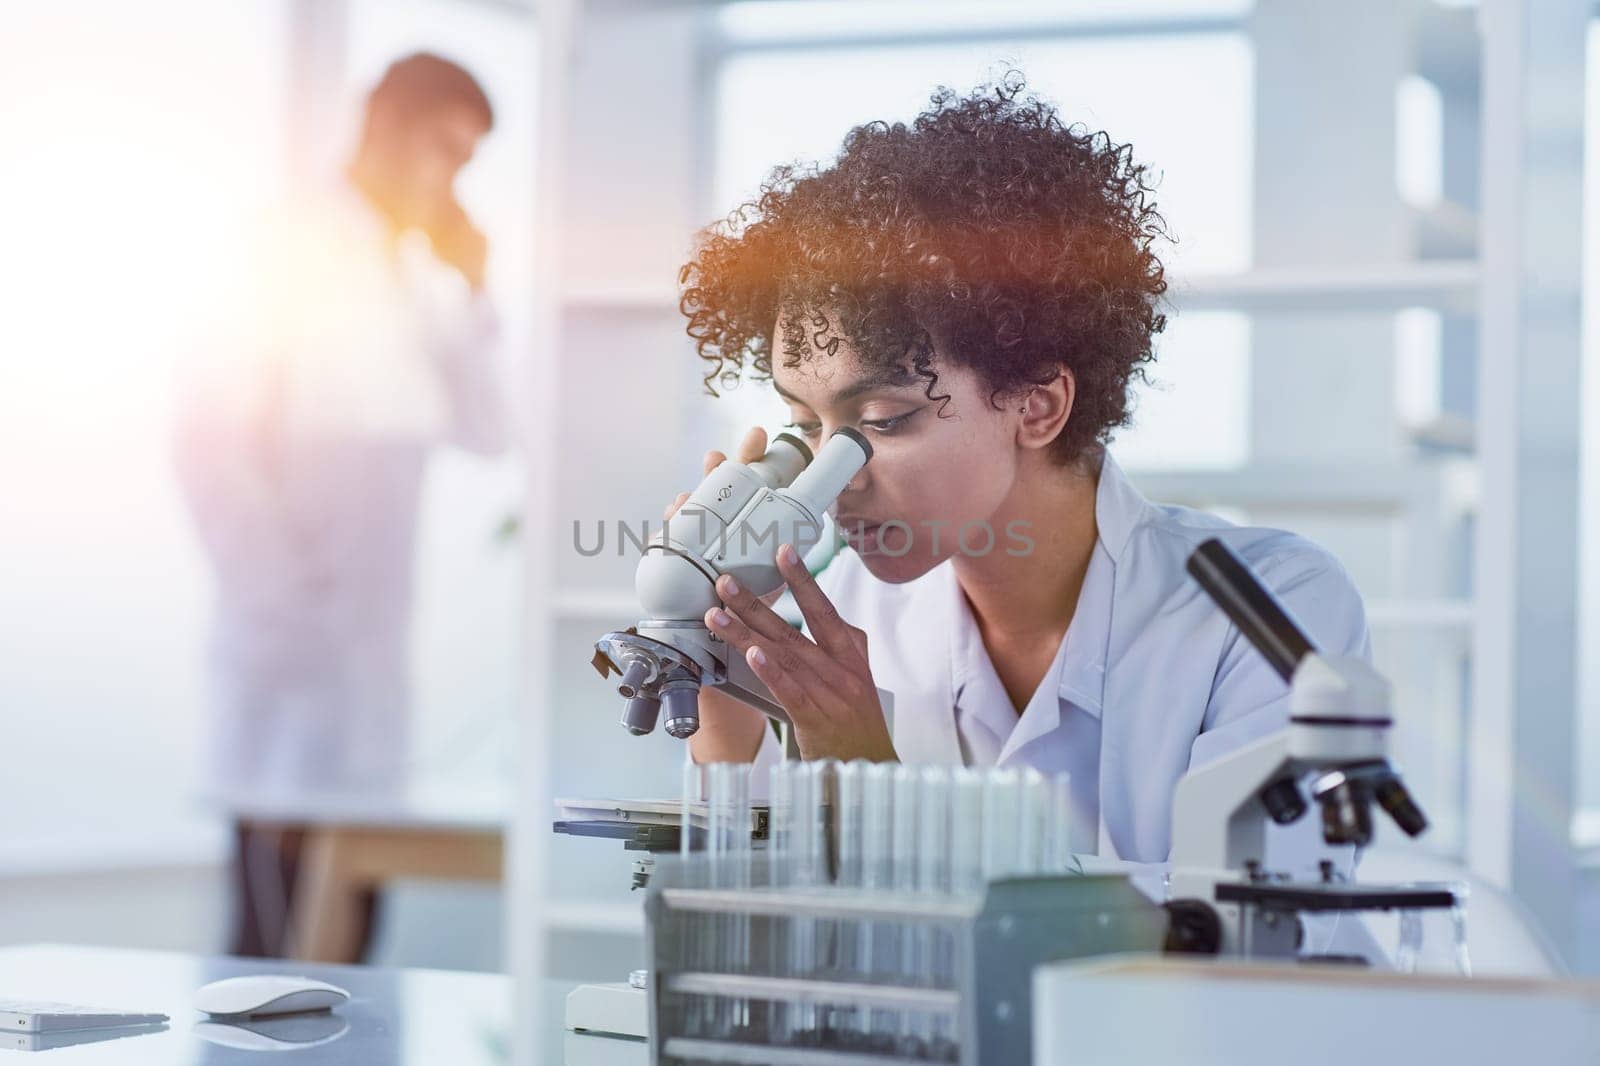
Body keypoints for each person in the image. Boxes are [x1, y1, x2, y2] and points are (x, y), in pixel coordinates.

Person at [672, 76, 1367, 879]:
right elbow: (760, 926)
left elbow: (1243, 947)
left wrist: (870, 777)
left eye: (884, 422)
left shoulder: (1269, 613)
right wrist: (721, 706)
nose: (833, 482)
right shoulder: (843, 622)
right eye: (804, 429)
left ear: (1038, 406)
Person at [174, 53, 509, 957]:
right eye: (448, 149)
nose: (456, 180)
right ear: (385, 129)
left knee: (350, 946)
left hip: (366, 667)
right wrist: (284, 611)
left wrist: (473, 286)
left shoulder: (417, 276)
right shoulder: (282, 245)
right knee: (268, 947)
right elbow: (209, 448)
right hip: (290, 659)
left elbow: (489, 427)